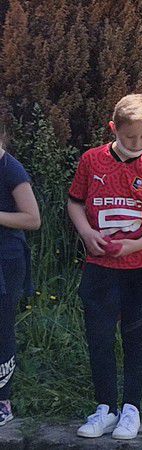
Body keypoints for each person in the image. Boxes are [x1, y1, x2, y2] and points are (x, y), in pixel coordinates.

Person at [67, 94, 142, 440]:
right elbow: (74, 202)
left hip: (141, 265)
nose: (136, 144)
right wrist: (86, 233)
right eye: (130, 137)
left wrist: (135, 244)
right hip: (99, 265)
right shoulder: (92, 161)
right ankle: (105, 407)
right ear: (114, 128)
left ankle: (131, 408)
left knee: (135, 336)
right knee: (99, 336)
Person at [0, 137, 41, 426]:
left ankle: (3, 400)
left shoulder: (10, 168)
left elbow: (32, 219)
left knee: (2, 326)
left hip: (6, 259)